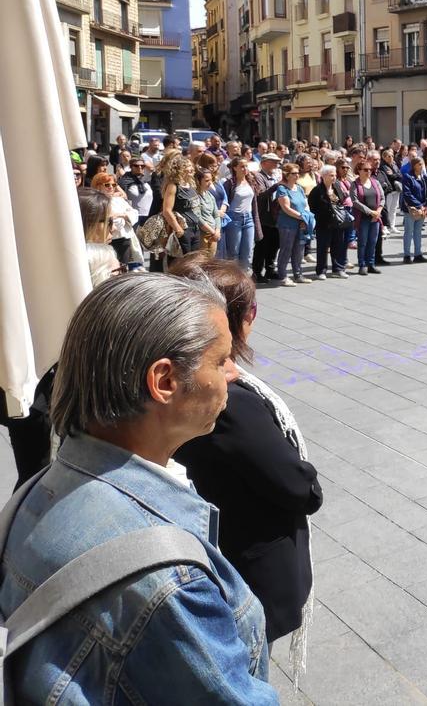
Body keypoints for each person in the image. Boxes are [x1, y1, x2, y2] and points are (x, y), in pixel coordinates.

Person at [0, 273, 278, 702]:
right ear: (164, 381)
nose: (233, 373)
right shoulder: (169, 580)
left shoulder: (33, 495)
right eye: (221, 360)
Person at [170, 255, 322, 655]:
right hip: (246, 575)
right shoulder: (227, 402)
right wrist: (308, 478)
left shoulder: (179, 383)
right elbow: (295, 486)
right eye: (251, 307)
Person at [274, 163, 313, 286]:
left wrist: (305, 217)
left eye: (298, 173)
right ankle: (283, 276)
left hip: (301, 223)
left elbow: (305, 204)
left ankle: (298, 274)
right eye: (294, 173)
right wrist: (302, 217)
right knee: (286, 249)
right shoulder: (282, 189)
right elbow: (286, 208)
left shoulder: (299, 188)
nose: (297, 175)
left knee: (299, 250)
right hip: (287, 224)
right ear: (287, 175)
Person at [160, 153, 204, 261]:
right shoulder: (173, 186)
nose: (191, 169)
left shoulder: (190, 184)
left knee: (194, 261)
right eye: (187, 166)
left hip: (195, 228)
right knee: (182, 262)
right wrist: (177, 228)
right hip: (183, 228)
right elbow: (167, 210)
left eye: (191, 166)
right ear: (180, 169)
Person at [251, 152, 282, 283]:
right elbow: (261, 195)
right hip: (264, 216)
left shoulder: (275, 175)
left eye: (277, 162)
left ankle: (270, 269)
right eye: (273, 161)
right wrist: (276, 186)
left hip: (276, 216)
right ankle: (257, 272)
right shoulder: (258, 176)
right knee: (262, 246)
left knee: (274, 244)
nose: (276, 164)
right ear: (263, 163)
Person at [350, 159, 385, 275]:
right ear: (359, 171)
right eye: (365, 170)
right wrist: (370, 212)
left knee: (373, 242)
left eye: (370, 169)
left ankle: (371, 264)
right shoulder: (355, 184)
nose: (368, 172)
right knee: (362, 242)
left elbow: (382, 198)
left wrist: (378, 211)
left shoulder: (375, 182)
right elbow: (355, 201)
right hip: (363, 218)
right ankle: (362, 265)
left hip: (375, 217)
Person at [400, 156, 427, 264]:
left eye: (422, 164)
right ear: (414, 166)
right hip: (411, 209)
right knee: (409, 232)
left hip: (422, 208)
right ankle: (407, 255)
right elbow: (407, 194)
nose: (422, 166)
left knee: (418, 232)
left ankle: (418, 254)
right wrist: (419, 205)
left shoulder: (424, 177)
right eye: (419, 164)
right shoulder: (407, 177)